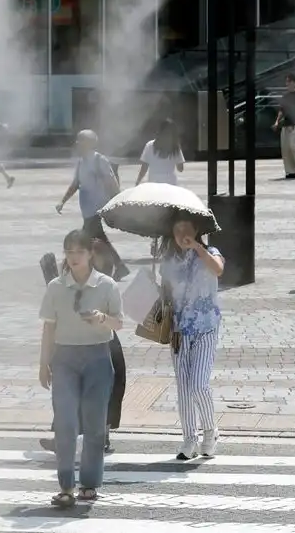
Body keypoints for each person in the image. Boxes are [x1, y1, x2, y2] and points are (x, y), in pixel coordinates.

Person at [39, 229, 123, 508]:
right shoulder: (55, 287)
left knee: (95, 424)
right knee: (65, 422)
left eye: (79, 252)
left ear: (90, 254)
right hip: (64, 358)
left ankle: (89, 483)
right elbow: (48, 328)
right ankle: (65, 485)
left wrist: (102, 318)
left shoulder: (107, 285)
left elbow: (119, 323)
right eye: (69, 252)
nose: (74, 257)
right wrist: (44, 364)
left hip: (98, 357)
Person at [159, 214, 224, 459]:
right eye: (177, 229)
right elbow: (166, 293)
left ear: (197, 230)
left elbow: (218, 269)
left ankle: (210, 430)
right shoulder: (168, 260)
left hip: (206, 326)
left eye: (187, 228)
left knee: (198, 384)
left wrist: (197, 248)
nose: (182, 233)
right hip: (178, 330)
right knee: (184, 388)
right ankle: (189, 439)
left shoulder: (210, 252)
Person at [56, 129, 129, 280]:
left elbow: (111, 181)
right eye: (77, 141)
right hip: (87, 209)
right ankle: (119, 266)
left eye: (81, 141)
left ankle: (73, 270)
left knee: (83, 240)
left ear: (89, 143)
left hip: (96, 208)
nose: (78, 144)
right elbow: (76, 183)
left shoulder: (99, 160)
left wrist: (118, 201)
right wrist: (62, 201)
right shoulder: (81, 162)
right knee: (99, 239)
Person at [273, 73, 295, 179]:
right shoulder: (285, 96)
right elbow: (281, 110)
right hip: (286, 124)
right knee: (286, 149)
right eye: (286, 81)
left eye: (288, 81)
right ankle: (290, 171)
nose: (286, 83)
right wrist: (277, 122)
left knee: (294, 146)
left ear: (294, 82)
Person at [135, 118, 186, 186]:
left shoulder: (150, 145)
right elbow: (180, 169)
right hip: (170, 183)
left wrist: (138, 181)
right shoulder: (175, 147)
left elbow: (144, 168)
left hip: (154, 182)